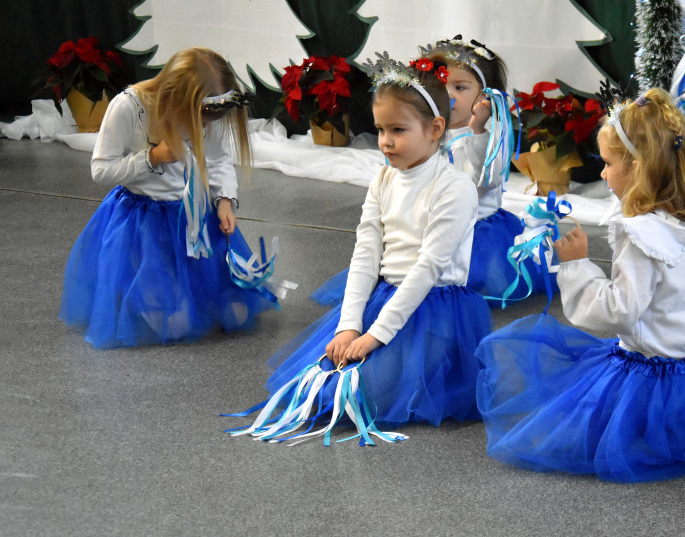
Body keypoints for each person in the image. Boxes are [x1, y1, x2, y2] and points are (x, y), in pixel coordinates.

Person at [476, 89, 685, 482]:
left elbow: (617, 313)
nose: (602, 174)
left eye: (609, 164)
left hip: (654, 372)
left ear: (637, 167)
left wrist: (576, 266)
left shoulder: (639, 237)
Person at [267, 54, 491, 426]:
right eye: (381, 130)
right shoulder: (383, 180)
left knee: (364, 397)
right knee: (319, 389)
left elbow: (428, 269)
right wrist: (349, 325)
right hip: (387, 297)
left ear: (435, 129)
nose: (385, 142)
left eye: (398, 131)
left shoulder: (455, 188)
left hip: (433, 309)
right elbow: (366, 255)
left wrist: (375, 336)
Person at [59, 47, 277, 348]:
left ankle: (177, 289)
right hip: (143, 222)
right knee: (176, 326)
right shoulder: (128, 107)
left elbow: (217, 161)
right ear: (175, 97)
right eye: (198, 119)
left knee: (237, 314)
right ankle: (138, 287)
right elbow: (101, 170)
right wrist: (153, 156)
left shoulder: (206, 114)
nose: (202, 128)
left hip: (192, 218)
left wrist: (224, 200)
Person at [420, 36, 535, 302]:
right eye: (442, 85)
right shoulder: (432, 127)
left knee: (463, 285)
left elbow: (486, 180)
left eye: (460, 87)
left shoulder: (494, 132)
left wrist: (477, 131)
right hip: (437, 221)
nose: (448, 94)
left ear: (484, 96)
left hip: (478, 227)